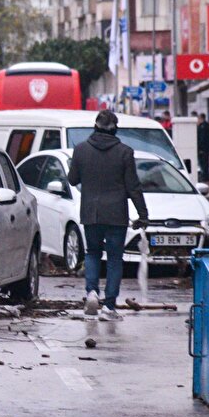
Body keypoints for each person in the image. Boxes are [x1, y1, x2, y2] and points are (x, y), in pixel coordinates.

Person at [67, 109, 150, 321]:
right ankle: (109, 307)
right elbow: (133, 186)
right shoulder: (124, 152)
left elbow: (72, 179)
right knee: (114, 259)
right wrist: (143, 214)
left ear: (95, 127)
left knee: (92, 253)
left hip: (90, 213)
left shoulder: (81, 150)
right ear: (115, 129)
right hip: (116, 215)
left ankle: (91, 293)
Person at [196, 112, 209, 183]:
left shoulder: (202, 127)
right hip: (207, 147)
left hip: (203, 148)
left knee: (203, 163)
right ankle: (206, 176)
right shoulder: (208, 125)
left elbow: (202, 139)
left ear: (201, 118)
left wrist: (200, 148)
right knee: (205, 163)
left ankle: (205, 177)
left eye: (198, 119)